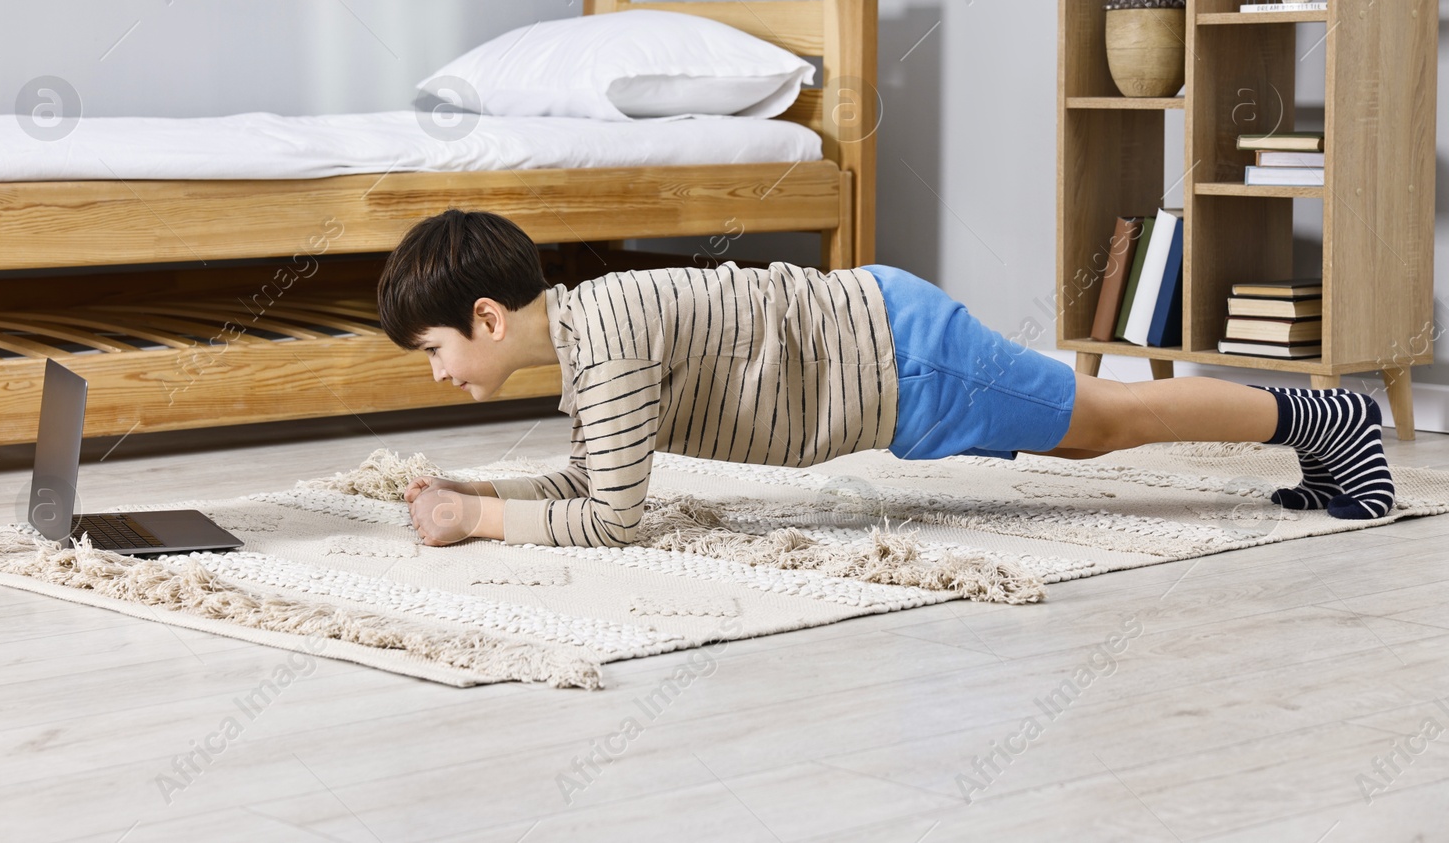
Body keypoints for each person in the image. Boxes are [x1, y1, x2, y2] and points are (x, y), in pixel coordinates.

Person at [374, 209, 1394, 548]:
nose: (441, 373)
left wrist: (477, 522)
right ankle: (1319, 424)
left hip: (903, 355)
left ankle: (1327, 415)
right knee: (1090, 424)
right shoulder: (595, 336)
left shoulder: (609, 339)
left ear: (487, 316)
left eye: (433, 350)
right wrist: (479, 494)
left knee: (1104, 419)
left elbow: (614, 518)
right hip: (887, 360)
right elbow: (592, 480)